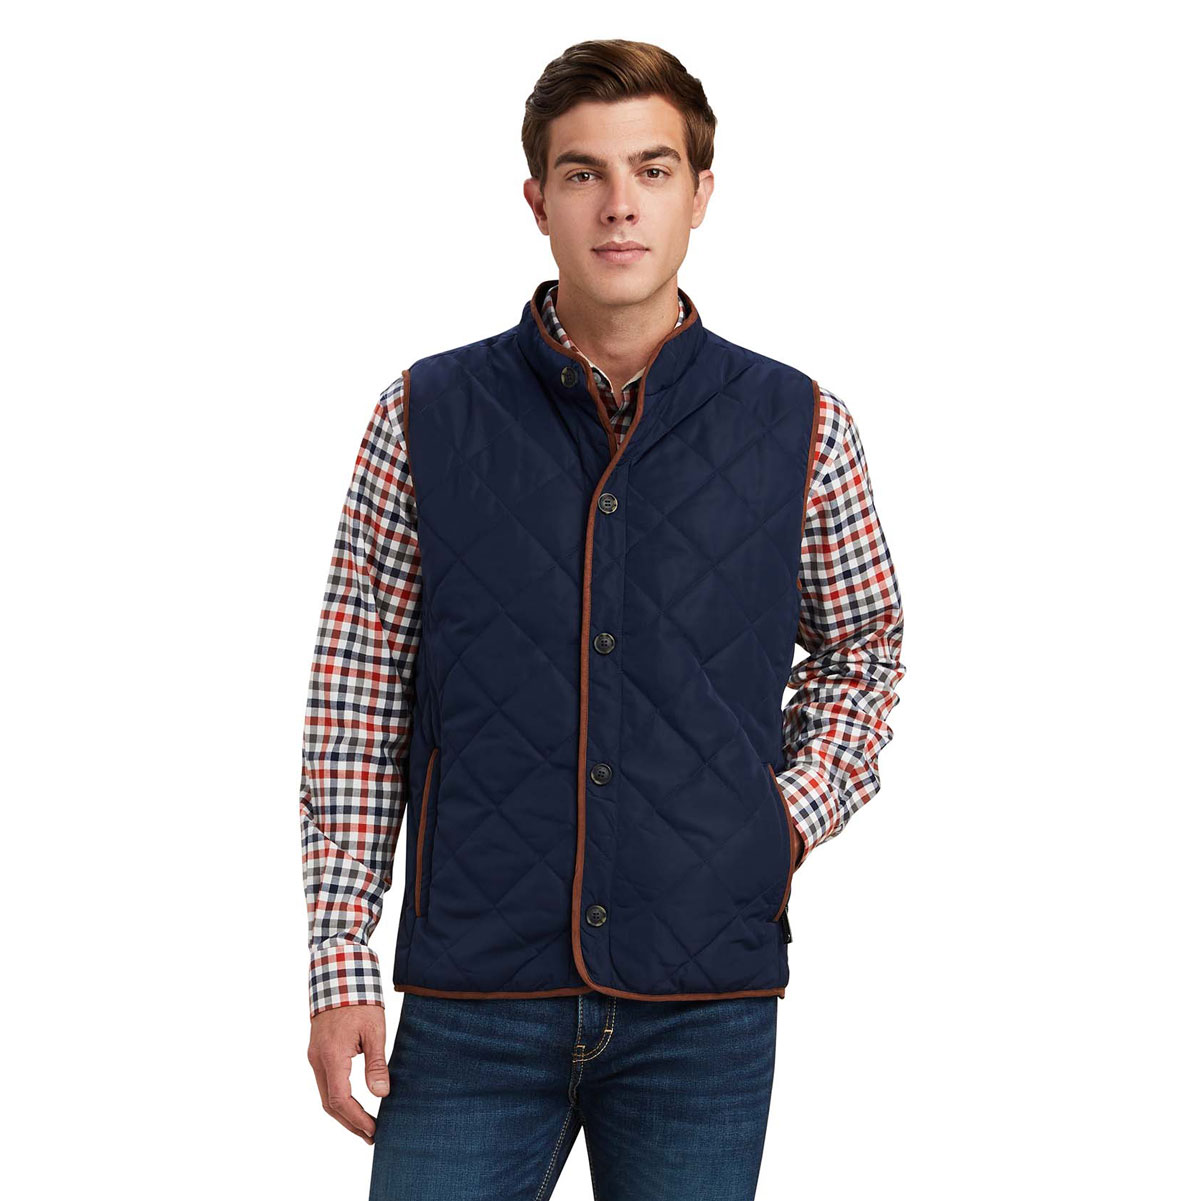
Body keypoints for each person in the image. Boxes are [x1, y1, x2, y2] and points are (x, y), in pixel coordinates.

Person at [299, 37, 906, 1201]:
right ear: (538, 200)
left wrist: (777, 821)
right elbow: (357, 701)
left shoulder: (803, 425)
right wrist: (339, 960)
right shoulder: (421, 415)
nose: (619, 204)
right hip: (474, 1000)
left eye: (653, 170)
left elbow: (864, 649)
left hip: (705, 1008)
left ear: (701, 192)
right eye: (583, 173)